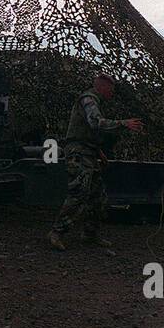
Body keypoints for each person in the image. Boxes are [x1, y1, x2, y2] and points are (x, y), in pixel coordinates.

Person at [47, 73, 144, 251]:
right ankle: (57, 232)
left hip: (88, 152)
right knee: (79, 192)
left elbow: (88, 132)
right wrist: (124, 123)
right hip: (79, 153)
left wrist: (98, 152)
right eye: (111, 88)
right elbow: (95, 122)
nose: (112, 92)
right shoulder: (89, 99)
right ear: (103, 87)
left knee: (97, 196)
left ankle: (90, 234)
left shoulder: (94, 101)